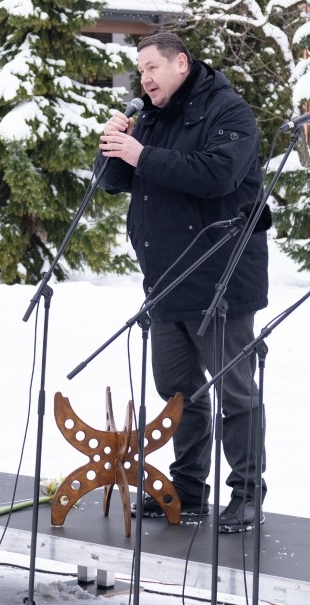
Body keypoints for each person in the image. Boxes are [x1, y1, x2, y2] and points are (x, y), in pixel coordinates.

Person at [98, 32, 268, 533]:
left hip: (221, 277)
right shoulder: (149, 118)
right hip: (166, 280)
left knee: (234, 391)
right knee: (178, 393)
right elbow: (112, 182)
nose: (144, 79)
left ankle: (248, 492)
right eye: (140, 70)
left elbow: (215, 175)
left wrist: (139, 154)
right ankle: (188, 489)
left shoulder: (228, 112)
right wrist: (112, 147)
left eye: (152, 67)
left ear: (180, 64)